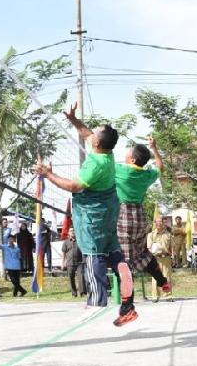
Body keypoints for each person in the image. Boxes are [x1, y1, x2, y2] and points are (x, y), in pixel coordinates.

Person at [33, 102, 137, 327]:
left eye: (95, 132)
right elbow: (86, 133)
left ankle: (97, 301)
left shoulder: (95, 164)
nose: (92, 133)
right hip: (109, 209)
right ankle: (128, 305)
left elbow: (73, 186)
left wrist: (48, 174)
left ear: (98, 142)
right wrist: (72, 119)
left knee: (92, 253)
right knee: (113, 251)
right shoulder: (105, 151)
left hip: (95, 214)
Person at [114, 137, 171, 299]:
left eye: (128, 152)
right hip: (140, 217)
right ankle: (162, 281)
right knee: (143, 252)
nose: (125, 153)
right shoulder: (146, 174)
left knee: (125, 262)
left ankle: (128, 303)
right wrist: (154, 148)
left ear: (132, 159)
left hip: (124, 217)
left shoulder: (120, 170)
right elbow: (160, 166)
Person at [147, 217, 173, 302]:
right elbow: (149, 248)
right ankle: (155, 296)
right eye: (157, 222)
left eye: (160, 221)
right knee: (155, 278)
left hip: (166, 258)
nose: (159, 223)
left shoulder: (168, 234)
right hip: (155, 258)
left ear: (163, 222)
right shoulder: (150, 235)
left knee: (167, 277)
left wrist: (174, 258)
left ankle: (168, 296)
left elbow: (171, 247)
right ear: (154, 223)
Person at [61, 227, 86, 297]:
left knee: (81, 277)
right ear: (68, 233)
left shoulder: (80, 241)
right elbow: (63, 253)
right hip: (70, 263)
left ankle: (82, 293)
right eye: (71, 231)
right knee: (71, 278)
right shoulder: (66, 242)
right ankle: (74, 293)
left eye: (74, 231)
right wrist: (63, 263)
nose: (73, 232)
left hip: (80, 262)